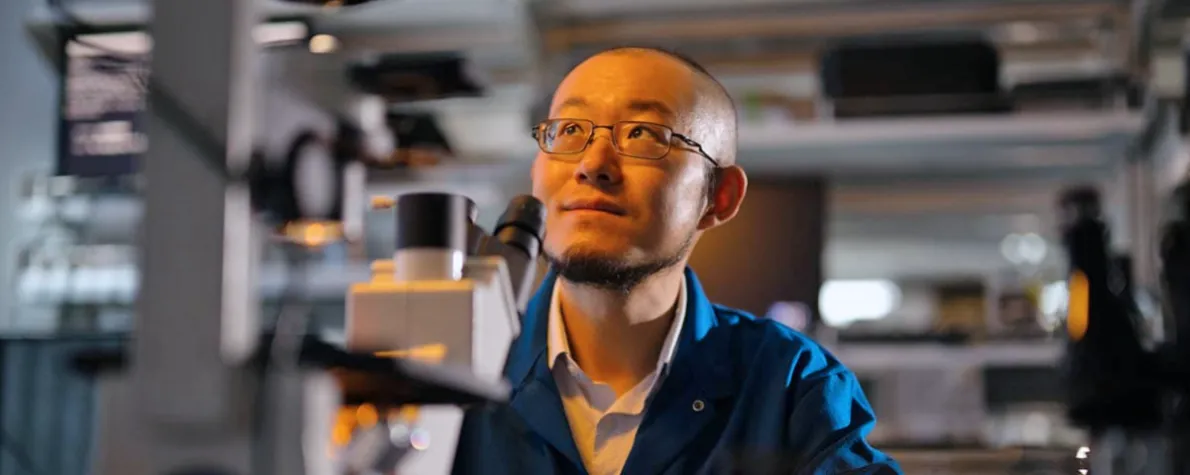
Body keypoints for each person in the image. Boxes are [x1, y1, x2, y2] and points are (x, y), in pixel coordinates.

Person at [452, 46, 901, 475]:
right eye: (569, 130)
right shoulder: (448, 367)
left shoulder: (790, 385)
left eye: (643, 134)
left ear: (719, 197)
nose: (591, 164)